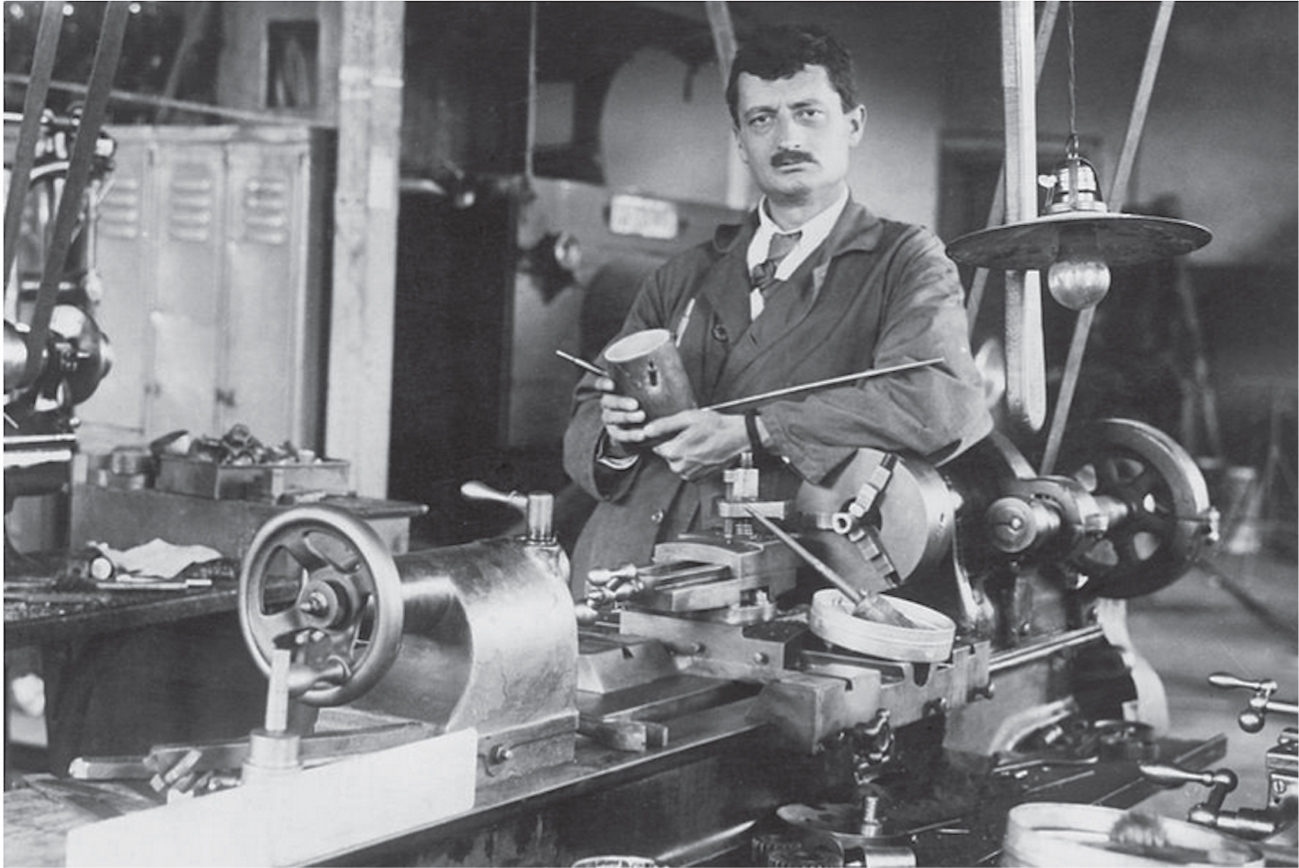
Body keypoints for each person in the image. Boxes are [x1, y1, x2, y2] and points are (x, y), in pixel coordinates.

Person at [562, 23, 992, 594]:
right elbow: (589, 405)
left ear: (853, 125)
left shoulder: (905, 261)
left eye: (808, 113)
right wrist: (616, 438)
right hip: (625, 562)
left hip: (782, 577)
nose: (787, 137)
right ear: (741, 141)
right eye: (762, 119)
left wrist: (757, 431)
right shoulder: (683, 273)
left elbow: (937, 398)